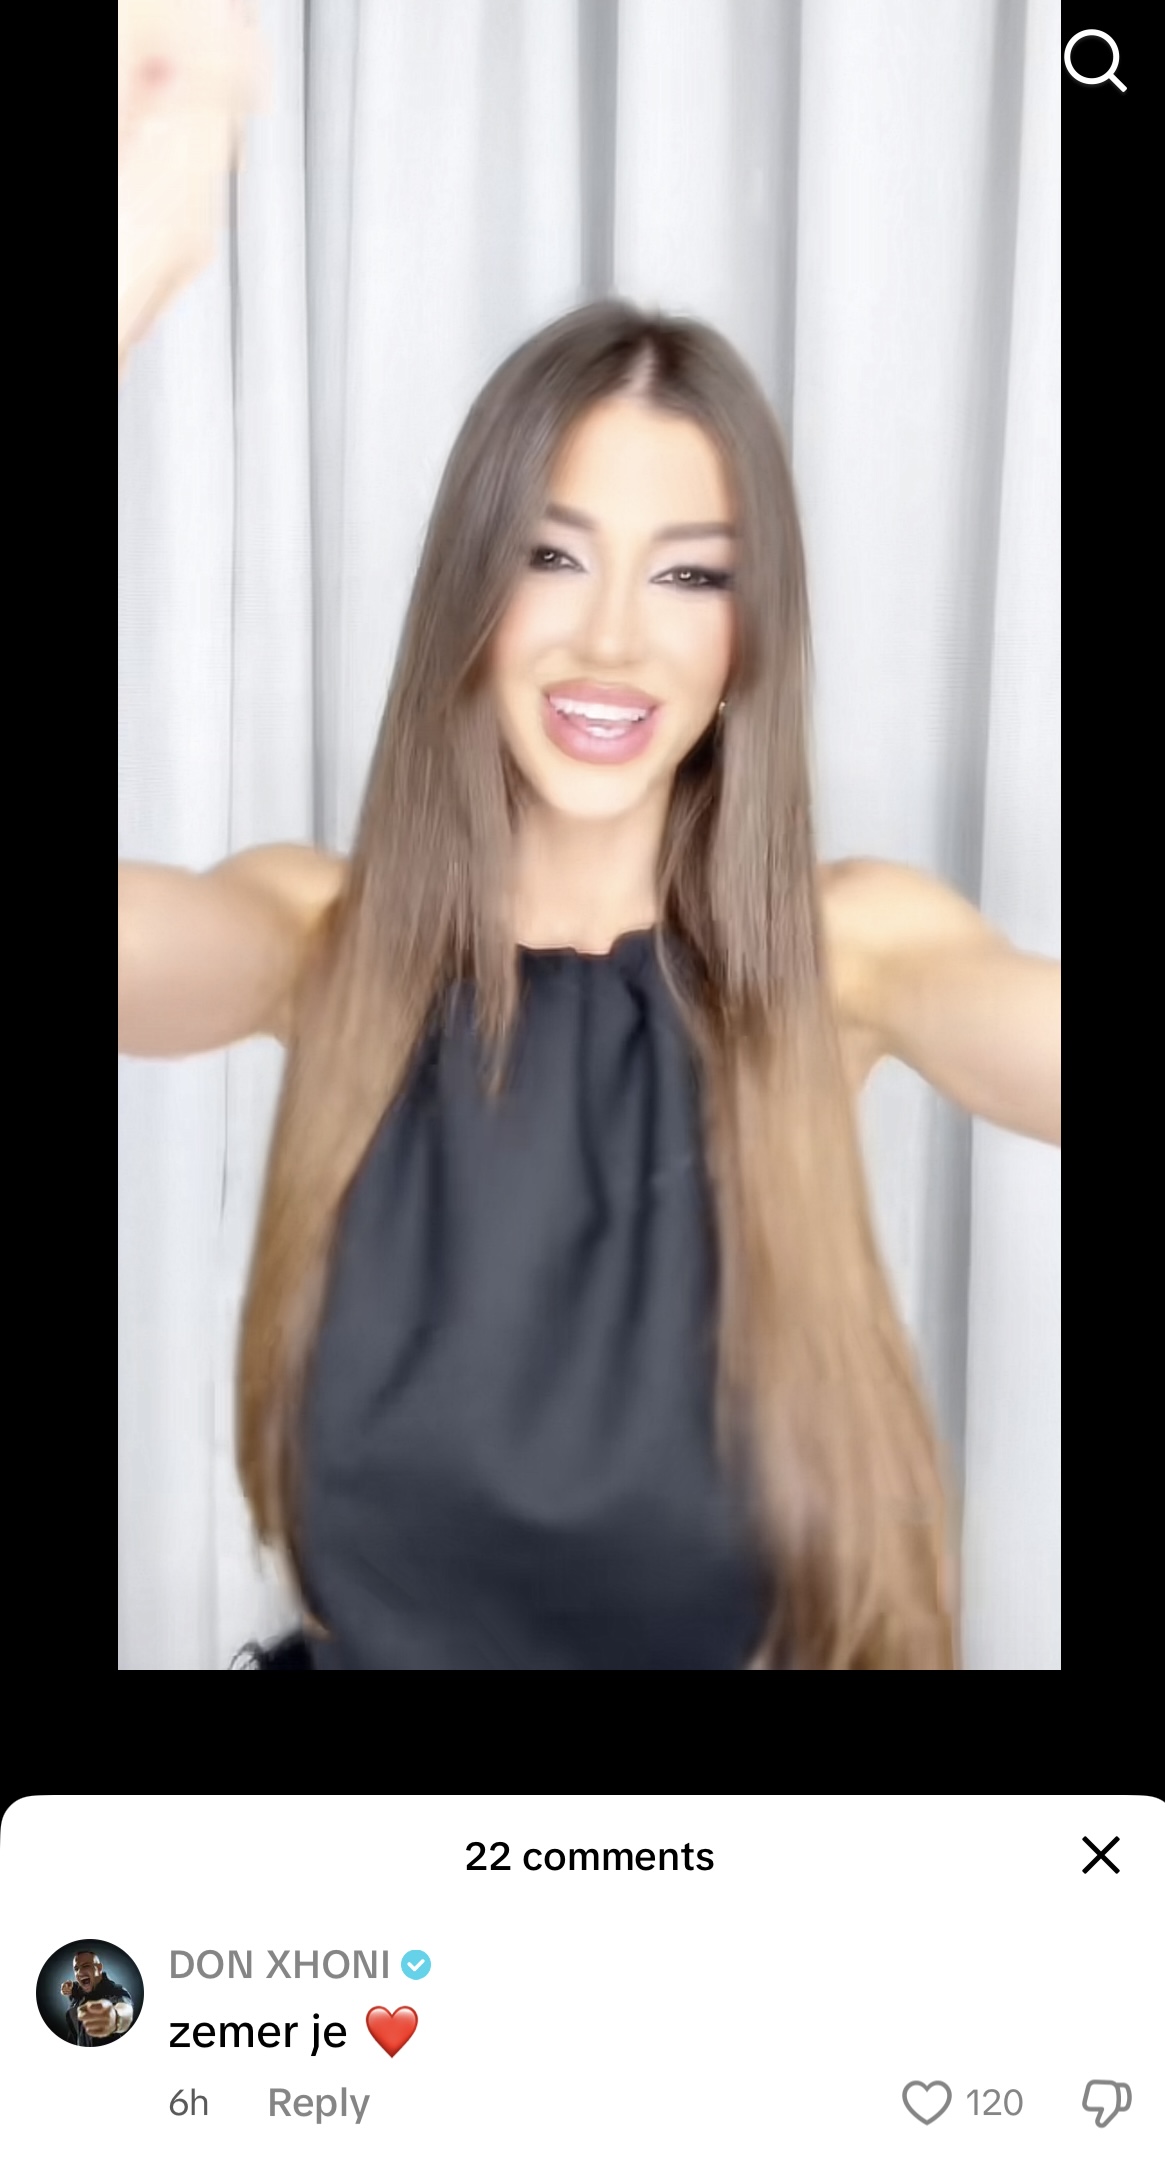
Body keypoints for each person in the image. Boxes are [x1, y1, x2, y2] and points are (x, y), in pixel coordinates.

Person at [118, 4, 1060, 1670]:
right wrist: (139, 255)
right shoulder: (316, 940)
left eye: (689, 574)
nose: (612, 640)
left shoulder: (848, 954)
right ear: (467, 594)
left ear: (748, 636)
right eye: (551, 557)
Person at [61, 1952, 135, 2044]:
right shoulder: (77, 1992)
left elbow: (125, 2010)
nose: (79, 1972)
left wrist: (115, 2019)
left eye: (86, 1966)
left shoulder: (114, 1990)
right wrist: (68, 1986)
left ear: (99, 1968)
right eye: (76, 1969)